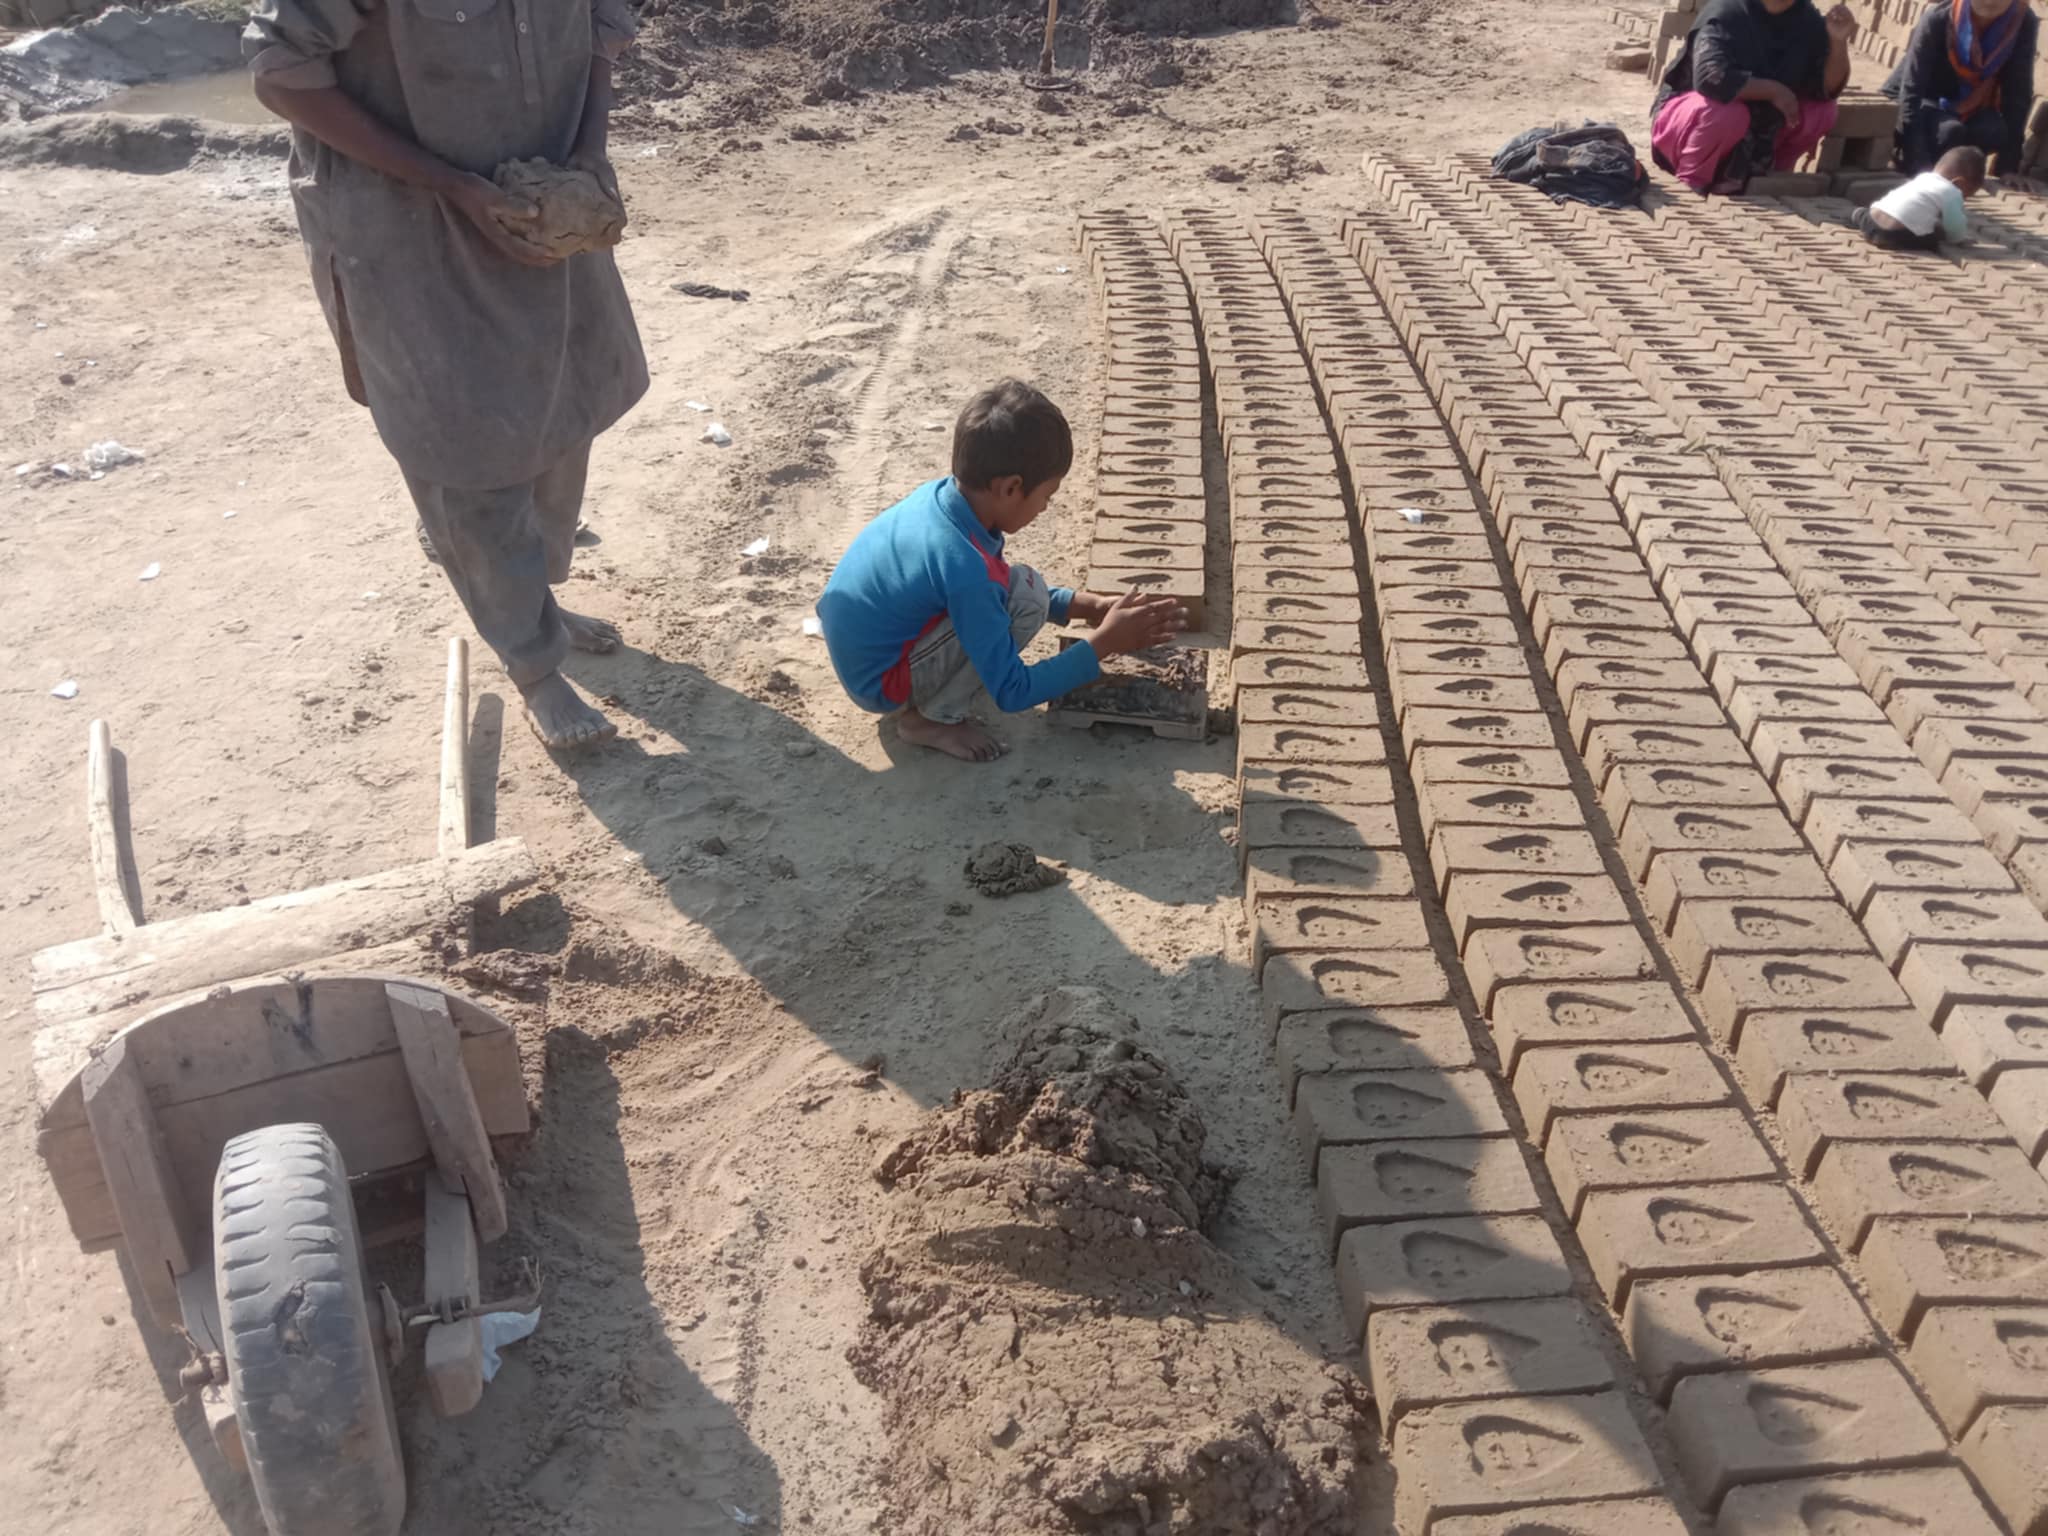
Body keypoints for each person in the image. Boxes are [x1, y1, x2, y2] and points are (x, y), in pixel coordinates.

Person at [243, 0, 649, 752]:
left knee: (562, 409)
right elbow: (283, 75)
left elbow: (601, 23)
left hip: (546, 201)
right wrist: (451, 184)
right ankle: (534, 663)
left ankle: (534, 598)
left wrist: (589, 149)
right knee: (467, 449)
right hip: (406, 224)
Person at [816, 380, 1187, 764]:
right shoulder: (966, 567)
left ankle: (928, 698)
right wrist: (1105, 642)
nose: (1045, 507)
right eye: (1047, 496)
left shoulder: (944, 499)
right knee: (1028, 598)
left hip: (860, 648)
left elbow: (996, 581)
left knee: (1021, 590)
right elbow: (1013, 691)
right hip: (881, 682)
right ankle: (929, 720)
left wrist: (1087, 606)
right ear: (1010, 488)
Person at [1652, 0, 1858, 193]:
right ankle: (1692, 182)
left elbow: (1828, 89)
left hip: (1757, 134)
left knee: (1822, 111)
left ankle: (1772, 176)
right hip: (1688, 129)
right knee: (1727, 113)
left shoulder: (1806, 19)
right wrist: (1773, 91)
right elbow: (1710, 78)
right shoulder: (1727, 12)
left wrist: (1837, 42)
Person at [1888, 0, 2038, 176]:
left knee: (1993, 132)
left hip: (1969, 102)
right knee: (1949, 133)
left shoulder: (2021, 20)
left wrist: (2007, 168)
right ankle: (1907, 158)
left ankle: (1955, 171)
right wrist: (1919, 166)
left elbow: (2018, 92)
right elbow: (1910, 92)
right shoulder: (1938, 18)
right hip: (1921, 99)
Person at [1851, 144, 1988, 247]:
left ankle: (1858, 215)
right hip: (1893, 234)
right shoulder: (1952, 192)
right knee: (1935, 235)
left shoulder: (1924, 177)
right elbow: (1955, 225)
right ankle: (1882, 239)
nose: (1963, 200)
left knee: (1870, 215)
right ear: (1959, 183)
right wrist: (1958, 239)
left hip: (1872, 219)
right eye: (1965, 196)